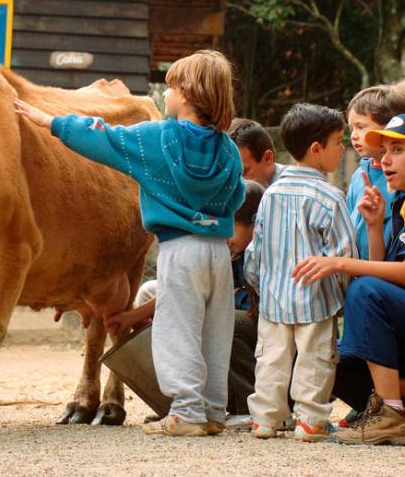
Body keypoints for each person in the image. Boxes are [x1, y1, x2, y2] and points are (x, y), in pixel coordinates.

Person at [14, 50, 245, 437]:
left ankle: (186, 412)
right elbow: (237, 196)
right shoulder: (228, 149)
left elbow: (103, 139)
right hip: (217, 251)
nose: (166, 95)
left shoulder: (157, 138)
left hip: (179, 250)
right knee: (213, 332)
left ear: (186, 93)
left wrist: (50, 122)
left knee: (178, 330)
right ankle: (212, 411)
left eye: (170, 87)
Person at [296, 114, 405, 446]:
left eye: (397, 150)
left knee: (365, 285)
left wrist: (341, 262)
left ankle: (390, 414)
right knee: (331, 365)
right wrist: (374, 225)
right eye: (384, 150)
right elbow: (387, 281)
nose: (384, 160)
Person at [105, 179, 266, 424]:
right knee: (149, 290)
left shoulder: (257, 252)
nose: (225, 233)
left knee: (224, 321)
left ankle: (243, 405)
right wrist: (135, 316)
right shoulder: (228, 248)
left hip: (255, 335)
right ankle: (176, 399)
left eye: (232, 223)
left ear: (255, 223)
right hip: (230, 324)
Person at [245, 103, 357, 442]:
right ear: (316, 148)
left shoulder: (270, 195)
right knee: (315, 360)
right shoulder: (330, 197)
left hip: (274, 300)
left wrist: (262, 286)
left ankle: (266, 419)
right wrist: (339, 294)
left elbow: (256, 251)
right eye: (339, 141)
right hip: (316, 301)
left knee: (271, 360)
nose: (343, 148)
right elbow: (344, 255)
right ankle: (309, 420)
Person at [345, 86, 405, 260]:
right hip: (355, 266)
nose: (353, 135)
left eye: (360, 127)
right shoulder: (359, 174)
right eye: (351, 128)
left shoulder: (403, 177)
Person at [227, 118, 285, 187]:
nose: (235, 182)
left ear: (268, 158)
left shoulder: (292, 188)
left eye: (243, 172)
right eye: (230, 174)